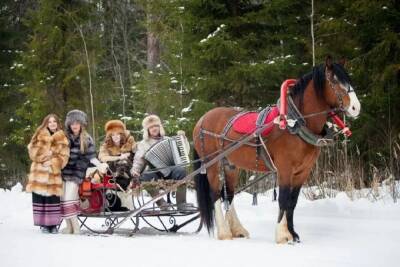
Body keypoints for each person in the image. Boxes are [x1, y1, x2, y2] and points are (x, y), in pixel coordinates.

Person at [61, 109, 108, 234]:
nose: (75, 125)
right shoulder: (63, 138)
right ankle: (69, 227)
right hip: (62, 173)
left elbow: (92, 157)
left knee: (69, 199)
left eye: (77, 122)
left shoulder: (86, 138)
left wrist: (100, 165)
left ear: (82, 124)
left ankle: (76, 227)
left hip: (77, 174)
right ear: (69, 125)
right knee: (62, 200)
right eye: (72, 123)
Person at [130, 114, 191, 210]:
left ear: (160, 127)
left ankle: (181, 204)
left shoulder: (168, 140)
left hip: (170, 170)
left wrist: (183, 140)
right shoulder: (143, 144)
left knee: (181, 171)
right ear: (147, 130)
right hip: (155, 173)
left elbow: (184, 153)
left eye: (156, 126)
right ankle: (162, 203)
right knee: (145, 176)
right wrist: (135, 171)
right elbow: (138, 161)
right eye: (151, 127)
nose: (154, 129)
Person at [26, 114, 69, 234]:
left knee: (53, 199)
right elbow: (32, 152)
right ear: (46, 123)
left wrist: (52, 161)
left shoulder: (62, 138)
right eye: (49, 122)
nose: (52, 124)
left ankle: (53, 225)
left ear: (58, 123)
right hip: (39, 171)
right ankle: (43, 225)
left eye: (54, 121)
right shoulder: (39, 134)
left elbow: (64, 157)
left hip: (53, 172)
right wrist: (45, 157)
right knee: (41, 198)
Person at [98, 120, 137, 210]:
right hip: (113, 168)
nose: (115, 137)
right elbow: (102, 158)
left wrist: (133, 148)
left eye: (117, 134)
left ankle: (122, 182)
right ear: (110, 136)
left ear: (121, 134)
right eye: (113, 135)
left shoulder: (129, 141)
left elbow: (137, 152)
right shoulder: (106, 145)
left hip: (128, 167)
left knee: (125, 163)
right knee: (118, 163)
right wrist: (119, 157)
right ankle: (117, 182)